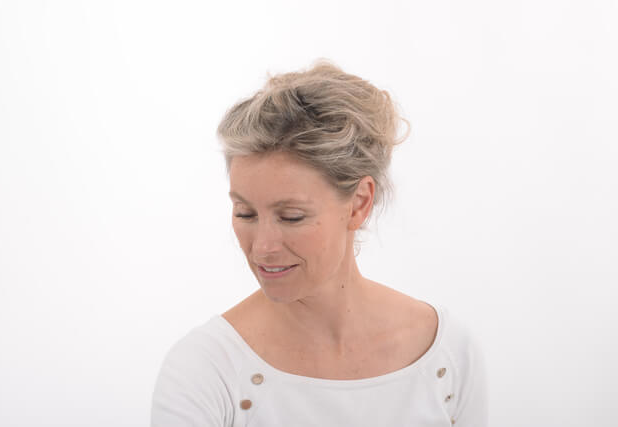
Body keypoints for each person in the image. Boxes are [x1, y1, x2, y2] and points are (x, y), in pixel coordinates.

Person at [150, 60, 488, 426]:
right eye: (245, 213)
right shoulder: (204, 372)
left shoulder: (446, 354)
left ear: (359, 204)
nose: (261, 247)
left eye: (291, 216)